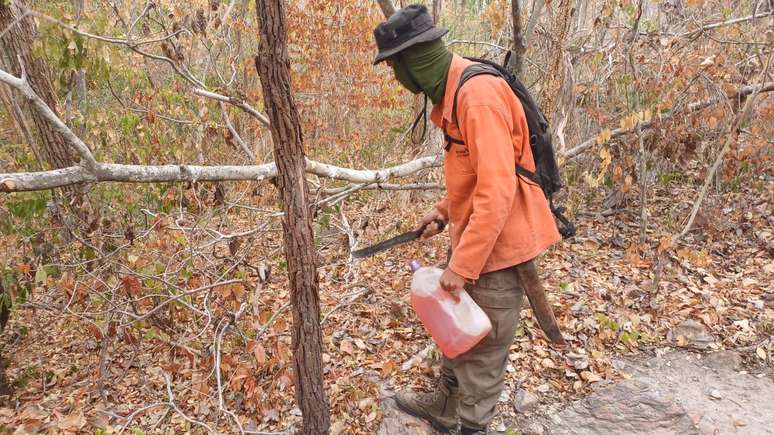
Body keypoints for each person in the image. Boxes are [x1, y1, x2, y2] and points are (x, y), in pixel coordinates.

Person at [373, 5, 562, 434]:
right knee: (454, 326)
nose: (394, 78)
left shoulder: (477, 99)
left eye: (394, 68)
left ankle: (472, 426)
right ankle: (445, 403)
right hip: (476, 235)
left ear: (413, 62)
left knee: (482, 345)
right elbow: (477, 174)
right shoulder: (455, 92)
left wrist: (462, 265)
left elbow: (497, 192)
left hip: (498, 246)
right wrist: (443, 212)